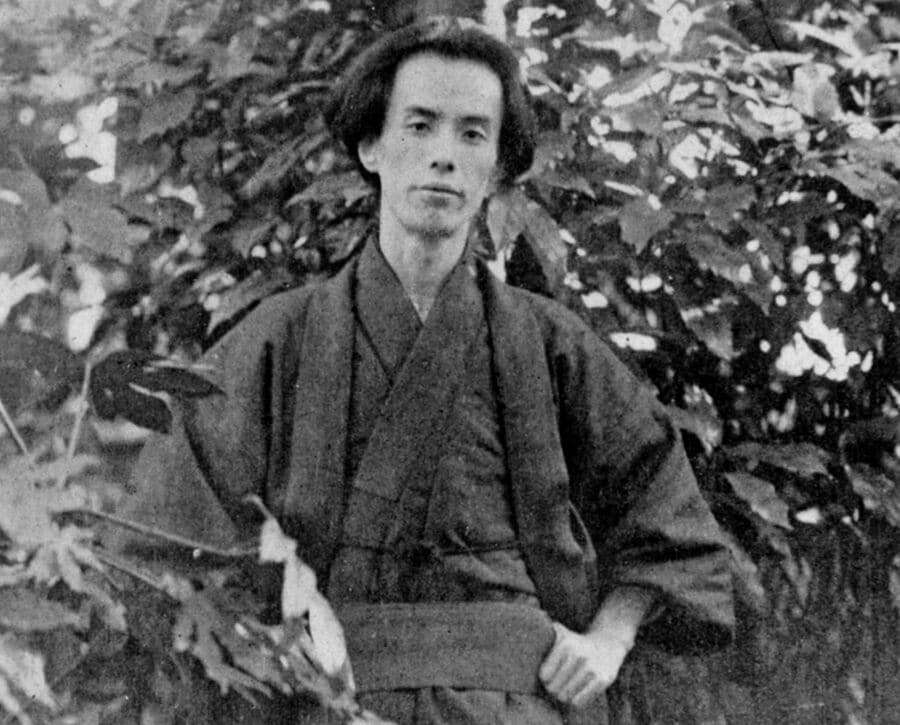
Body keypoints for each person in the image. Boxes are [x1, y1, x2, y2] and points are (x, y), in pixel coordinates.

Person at [111, 17, 734, 725]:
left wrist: (610, 639)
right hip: (333, 702)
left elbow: (666, 516)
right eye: (419, 126)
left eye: (472, 134)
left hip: (521, 705)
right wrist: (288, 602)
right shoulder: (278, 339)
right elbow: (168, 529)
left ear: (498, 166)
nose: (443, 156)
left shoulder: (550, 344)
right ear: (371, 146)